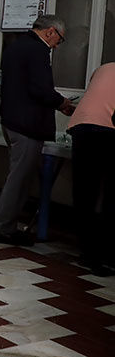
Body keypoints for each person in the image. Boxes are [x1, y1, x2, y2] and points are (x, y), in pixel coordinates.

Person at [0, 15, 76, 245]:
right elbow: (40, 89)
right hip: (27, 125)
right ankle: (3, 229)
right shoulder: (38, 50)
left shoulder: (16, 45)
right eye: (60, 40)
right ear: (50, 32)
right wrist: (62, 103)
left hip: (11, 120)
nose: (58, 45)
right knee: (19, 178)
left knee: (14, 175)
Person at [67, 63, 115, 276]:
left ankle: (87, 253)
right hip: (106, 130)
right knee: (109, 197)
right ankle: (103, 257)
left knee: (85, 191)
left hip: (80, 126)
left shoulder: (105, 67)